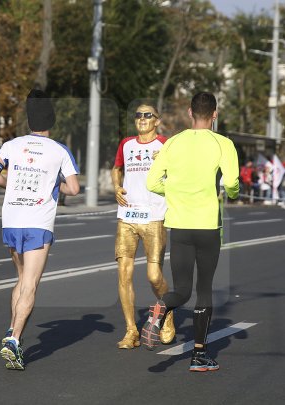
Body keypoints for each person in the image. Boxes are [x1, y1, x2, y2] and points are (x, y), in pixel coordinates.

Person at [0, 89, 80, 370]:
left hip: (12, 218)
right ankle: (14, 339)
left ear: (29, 120)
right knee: (31, 284)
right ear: (51, 120)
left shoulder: (11, 145)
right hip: (38, 222)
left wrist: (10, 184)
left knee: (20, 278)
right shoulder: (59, 150)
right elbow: (74, 188)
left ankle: (11, 330)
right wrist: (54, 185)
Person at [144, 92, 239, 372]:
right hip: (208, 226)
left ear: (189, 112)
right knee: (204, 290)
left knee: (182, 290)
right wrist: (231, 191)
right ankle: (199, 355)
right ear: (215, 114)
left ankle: (162, 307)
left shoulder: (172, 143)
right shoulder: (223, 143)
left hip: (180, 225)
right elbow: (232, 182)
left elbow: (152, 183)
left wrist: (173, 190)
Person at [110, 104, 173, 350]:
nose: (143, 118)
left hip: (154, 216)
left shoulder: (166, 145)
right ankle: (131, 331)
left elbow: (178, 174)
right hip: (127, 216)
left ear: (157, 121)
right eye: (138, 115)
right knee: (123, 274)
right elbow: (116, 169)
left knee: (153, 276)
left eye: (148, 115)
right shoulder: (126, 144)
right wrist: (117, 187)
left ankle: (167, 313)